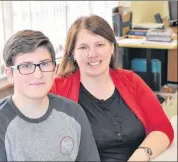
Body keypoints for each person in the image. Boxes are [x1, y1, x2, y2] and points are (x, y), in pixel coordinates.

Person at [50, 15, 174, 161]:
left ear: (112, 48)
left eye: (100, 45)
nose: (92, 54)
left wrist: (140, 156)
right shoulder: (57, 89)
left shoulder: (131, 81)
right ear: (73, 54)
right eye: (83, 47)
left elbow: (162, 128)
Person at [0, 30, 100, 161]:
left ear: (54, 69)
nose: (38, 74)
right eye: (26, 66)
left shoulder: (74, 113)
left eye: (44, 64)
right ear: (10, 74)